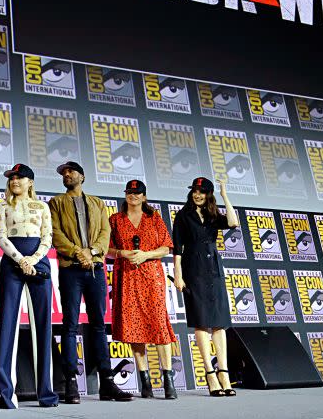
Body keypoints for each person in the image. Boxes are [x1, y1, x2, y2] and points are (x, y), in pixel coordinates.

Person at [48, 161, 133, 403]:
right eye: (63, 172)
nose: (66, 174)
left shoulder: (97, 203)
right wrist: (78, 253)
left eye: (70, 171)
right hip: (70, 270)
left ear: (82, 176)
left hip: (95, 268)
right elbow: (55, 234)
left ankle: (107, 382)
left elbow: (105, 234)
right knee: (70, 325)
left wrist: (93, 252)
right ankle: (71, 383)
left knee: (98, 325)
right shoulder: (56, 203)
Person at [0, 164, 59, 409]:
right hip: (12, 264)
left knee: (43, 326)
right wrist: (21, 260)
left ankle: (46, 393)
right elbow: (1, 236)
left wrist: (34, 260)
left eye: (20, 177)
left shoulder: (42, 207)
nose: (15, 181)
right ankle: (6, 394)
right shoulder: (2, 205)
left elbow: (48, 237)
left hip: (39, 263)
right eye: (11, 178)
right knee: (8, 323)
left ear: (31, 181)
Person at [107, 180, 177, 400]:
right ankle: (144, 380)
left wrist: (146, 254)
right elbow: (106, 249)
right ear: (125, 195)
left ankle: (168, 380)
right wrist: (122, 253)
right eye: (129, 192)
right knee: (134, 327)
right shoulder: (115, 220)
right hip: (126, 277)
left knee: (159, 326)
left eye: (137, 193)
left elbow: (166, 247)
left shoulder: (154, 217)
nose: (133, 196)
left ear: (144, 197)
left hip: (152, 277)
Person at [171, 177, 240, 397]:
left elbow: (232, 222)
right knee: (201, 324)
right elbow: (177, 248)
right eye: (194, 191)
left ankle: (224, 373)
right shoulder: (183, 216)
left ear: (208, 194)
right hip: (194, 271)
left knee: (219, 324)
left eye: (201, 192)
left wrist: (224, 194)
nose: (197, 195)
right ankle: (209, 374)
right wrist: (178, 276)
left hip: (214, 270)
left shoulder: (212, 215)